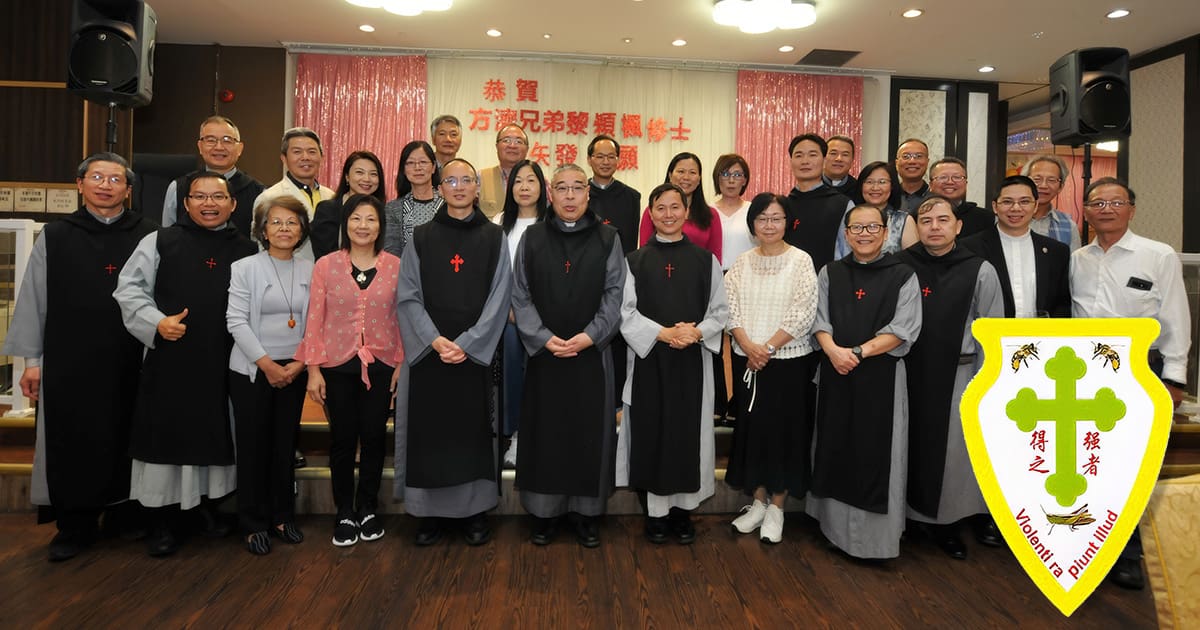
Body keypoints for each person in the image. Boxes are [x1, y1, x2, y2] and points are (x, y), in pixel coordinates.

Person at [2, 153, 155, 562]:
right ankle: (75, 525)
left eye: (116, 179)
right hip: (71, 361)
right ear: (80, 183)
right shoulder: (56, 235)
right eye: (97, 177)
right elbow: (34, 300)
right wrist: (32, 360)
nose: (106, 185)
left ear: (128, 188)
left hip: (131, 358)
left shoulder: (149, 234)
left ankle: (126, 515)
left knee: (128, 435)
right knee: (73, 439)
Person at [114, 172, 258, 557]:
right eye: (200, 197)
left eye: (218, 197)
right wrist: (156, 322)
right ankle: (160, 520)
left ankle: (204, 510)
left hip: (221, 358)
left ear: (233, 204)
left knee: (214, 432)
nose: (209, 204)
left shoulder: (247, 249)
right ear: (186, 203)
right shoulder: (160, 240)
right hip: (170, 358)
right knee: (166, 432)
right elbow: (128, 289)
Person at [1070, 176, 1190, 590]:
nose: (1105, 209)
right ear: (1085, 211)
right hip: (1086, 372)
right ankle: (1089, 545)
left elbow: (1176, 317)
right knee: (1091, 461)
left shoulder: (1158, 255)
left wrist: (1174, 378)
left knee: (1133, 464)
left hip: (1140, 370)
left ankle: (1129, 551)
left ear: (1131, 209)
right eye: (1097, 203)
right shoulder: (1078, 258)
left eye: (1115, 202)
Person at [395, 159, 512, 546]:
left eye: (466, 180)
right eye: (451, 180)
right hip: (430, 355)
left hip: (474, 358)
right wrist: (434, 339)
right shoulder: (422, 237)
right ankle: (427, 515)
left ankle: (474, 513)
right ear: (439, 187)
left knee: (472, 434)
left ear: (478, 187)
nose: (459, 187)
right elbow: (408, 295)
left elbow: (500, 298)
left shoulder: (494, 239)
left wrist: (469, 343)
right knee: (431, 435)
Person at [512, 164, 625, 547]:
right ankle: (543, 514)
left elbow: (615, 294)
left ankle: (586, 514)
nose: (571, 195)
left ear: (588, 195)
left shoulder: (609, 238)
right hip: (544, 355)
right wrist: (543, 338)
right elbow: (520, 294)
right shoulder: (531, 237)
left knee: (588, 431)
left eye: (579, 187)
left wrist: (589, 337)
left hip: (591, 354)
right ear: (552, 193)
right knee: (546, 432)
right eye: (563, 188)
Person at [807, 204, 922, 560]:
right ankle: (834, 531)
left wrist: (855, 353)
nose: (864, 234)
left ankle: (874, 543)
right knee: (835, 446)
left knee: (876, 452)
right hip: (835, 372)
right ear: (846, 233)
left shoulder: (903, 274)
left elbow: (904, 329)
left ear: (886, 233)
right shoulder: (831, 271)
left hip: (881, 374)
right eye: (857, 228)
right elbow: (819, 321)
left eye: (873, 227)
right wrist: (834, 352)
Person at [619, 183, 728, 545]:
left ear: (686, 211)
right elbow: (625, 312)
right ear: (650, 214)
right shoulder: (634, 260)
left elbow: (720, 311)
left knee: (688, 435)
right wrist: (663, 334)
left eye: (675, 207)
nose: (668, 214)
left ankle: (684, 514)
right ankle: (655, 515)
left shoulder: (704, 261)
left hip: (691, 362)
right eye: (660, 208)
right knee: (653, 434)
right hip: (650, 359)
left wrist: (696, 333)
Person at [898, 195, 1004, 559]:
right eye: (926, 221)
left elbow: (992, 332)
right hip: (906, 370)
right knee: (906, 443)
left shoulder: (980, 270)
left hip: (959, 373)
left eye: (943, 220)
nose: (934, 227)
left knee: (952, 452)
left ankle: (948, 523)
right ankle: (905, 519)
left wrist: (985, 383)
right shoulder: (900, 265)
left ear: (958, 226)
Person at [295, 194, 403, 547]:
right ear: (345, 224)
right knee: (342, 440)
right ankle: (344, 511)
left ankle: (368, 507)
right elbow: (314, 318)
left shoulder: (395, 266)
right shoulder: (326, 265)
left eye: (370, 219)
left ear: (380, 226)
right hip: (336, 364)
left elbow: (402, 318)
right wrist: (313, 368)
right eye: (356, 218)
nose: (363, 226)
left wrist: (401, 362)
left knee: (373, 437)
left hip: (382, 363)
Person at [723, 192, 819, 544]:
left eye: (776, 218)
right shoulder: (742, 262)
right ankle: (758, 502)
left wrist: (767, 347)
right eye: (762, 218)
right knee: (754, 432)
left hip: (788, 361)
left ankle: (778, 507)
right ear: (752, 225)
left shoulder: (801, 261)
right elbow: (729, 308)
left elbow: (804, 311)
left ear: (786, 222)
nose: (768, 224)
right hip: (749, 359)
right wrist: (749, 346)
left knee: (785, 432)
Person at [226, 195, 313, 555]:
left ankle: (282, 515)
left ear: (302, 230)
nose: (284, 229)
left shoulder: (312, 268)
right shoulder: (245, 267)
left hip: (295, 369)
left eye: (291, 222)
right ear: (262, 230)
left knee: (284, 447)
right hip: (252, 370)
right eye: (276, 222)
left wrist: (300, 362)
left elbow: (317, 323)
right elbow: (236, 321)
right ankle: (252, 521)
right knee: (253, 447)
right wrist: (267, 365)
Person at [494, 159, 550, 468]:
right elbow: (493, 275)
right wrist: (511, 311)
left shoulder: (552, 222)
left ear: (542, 187)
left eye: (531, 180)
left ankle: (541, 434)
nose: (525, 187)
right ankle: (515, 435)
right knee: (513, 364)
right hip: (509, 316)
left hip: (547, 316)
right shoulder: (498, 222)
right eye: (518, 181)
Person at [959, 175, 1071, 319]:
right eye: (1007, 201)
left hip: (1040, 337)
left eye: (1024, 201)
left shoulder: (1056, 252)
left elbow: (1063, 302)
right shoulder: (969, 248)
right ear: (995, 206)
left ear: (1035, 205)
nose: (1016, 208)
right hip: (988, 336)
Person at [587, 134, 642, 412]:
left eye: (611, 156)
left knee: (618, 337)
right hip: (586, 280)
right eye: (600, 156)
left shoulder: (632, 197)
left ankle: (618, 406)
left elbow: (631, 243)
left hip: (618, 279)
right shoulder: (580, 193)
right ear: (589, 160)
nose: (606, 161)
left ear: (619, 161)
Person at [162, 116, 265, 235]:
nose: (219, 147)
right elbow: (167, 238)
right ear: (200, 146)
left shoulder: (258, 193)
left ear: (240, 148)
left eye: (227, 140)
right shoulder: (178, 188)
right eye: (211, 140)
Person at [711, 153, 756, 424]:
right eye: (726, 174)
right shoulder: (707, 210)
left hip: (746, 280)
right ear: (717, 178)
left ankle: (740, 403)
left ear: (745, 179)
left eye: (737, 174)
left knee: (742, 341)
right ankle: (718, 404)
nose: (731, 180)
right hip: (715, 280)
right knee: (715, 344)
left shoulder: (753, 210)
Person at [253, 127, 336, 259]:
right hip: (285, 274)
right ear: (284, 158)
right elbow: (262, 247)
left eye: (312, 152)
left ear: (322, 158)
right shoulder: (269, 197)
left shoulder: (332, 196)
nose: (305, 157)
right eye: (297, 152)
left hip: (327, 273)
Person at [782, 133, 853, 272]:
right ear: (790, 161)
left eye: (812, 155)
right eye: (798, 155)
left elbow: (848, 254)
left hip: (826, 285)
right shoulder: (783, 205)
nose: (805, 161)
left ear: (824, 160)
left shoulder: (842, 205)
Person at [638, 152, 723, 263]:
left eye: (692, 172)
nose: (686, 177)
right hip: (658, 274)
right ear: (670, 175)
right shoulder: (654, 212)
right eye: (681, 171)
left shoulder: (710, 214)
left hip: (699, 275)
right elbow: (644, 254)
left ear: (699, 179)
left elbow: (715, 258)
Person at [310, 151, 386, 259]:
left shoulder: (384, 211)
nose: (367, 179)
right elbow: (324, 255)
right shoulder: (327, 210)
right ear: (347, 177)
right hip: (335, 273)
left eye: (373, 174)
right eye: (360, 172)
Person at [834, 161, 918, 259]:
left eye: (882, 182)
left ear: (892, 186)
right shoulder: (848, 217)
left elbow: (914, 262)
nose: (875, 188)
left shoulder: (903, 221)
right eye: (869, 182)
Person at [382, 141, 443, 257]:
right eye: (410, 163)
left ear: (434, 167)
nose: (417, 167)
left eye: (423, 162)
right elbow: (391, 252)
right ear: (403, 170)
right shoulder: (392, 209)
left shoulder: (448, 204)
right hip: (407, 272)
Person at [1021, 154, 1081, 250]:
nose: (1044, 185)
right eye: (1037, 179)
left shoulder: (1069, 226)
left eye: (1051, 180)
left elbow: (1073, 264)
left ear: (1060, 187)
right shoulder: (1007, 218)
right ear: (1024, 182)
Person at [927, 158, 993, 238]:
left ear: (966, 184)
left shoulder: (985, 218)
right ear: (930, 185)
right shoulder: (919, 215)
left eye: (957, 177)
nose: (950, 182)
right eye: (943, 177)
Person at [478, 123, 530, 219]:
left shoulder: (538, 181)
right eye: (506, 140)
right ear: (497, 146)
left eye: (519, 141)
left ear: (527, 149)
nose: (512, 145)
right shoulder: (480, 177)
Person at [895, 138, 931, 214]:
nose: (912, 161)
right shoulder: (888, 196)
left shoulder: (935, 197)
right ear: (896, 163)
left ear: (927, 162)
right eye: (906, 156)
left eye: (918, 156)